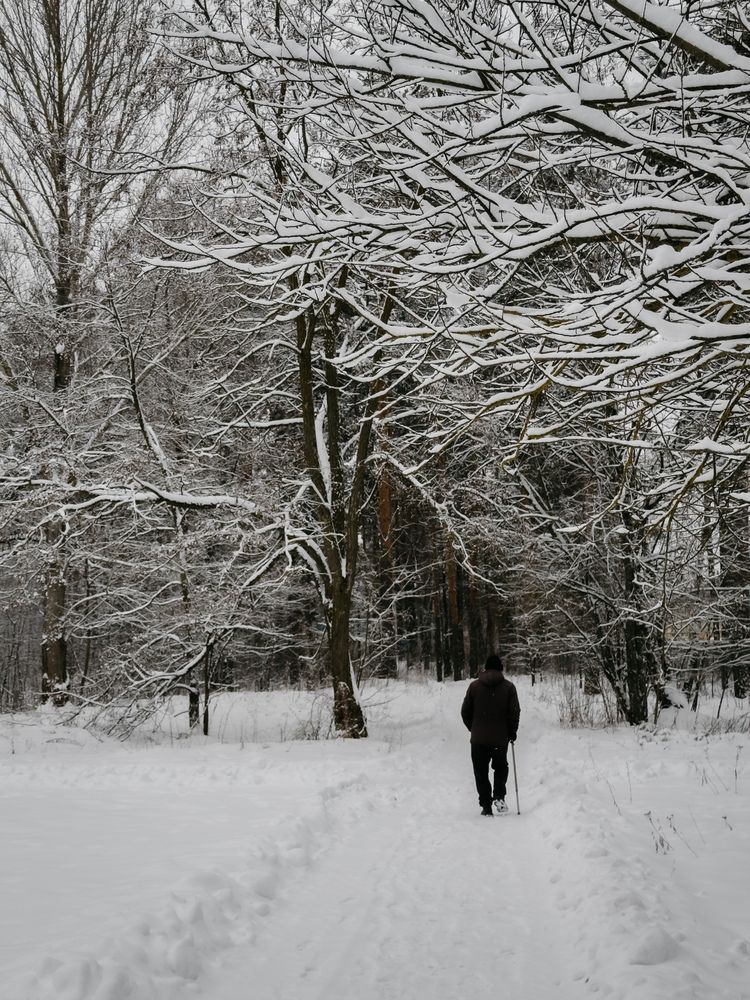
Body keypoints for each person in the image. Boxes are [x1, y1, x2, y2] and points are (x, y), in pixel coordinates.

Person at [460, 653, 520, 817]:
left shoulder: (474, 686)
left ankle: (486, 804)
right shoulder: (509, 687)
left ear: (485, 668)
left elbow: (465, 711)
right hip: (500, 739)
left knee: (480, 771)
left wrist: (473, 728)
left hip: (478, 739)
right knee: (500, 767)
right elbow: (514, 712)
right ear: (501, 668)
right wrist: (512, 732)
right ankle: (499, 796)